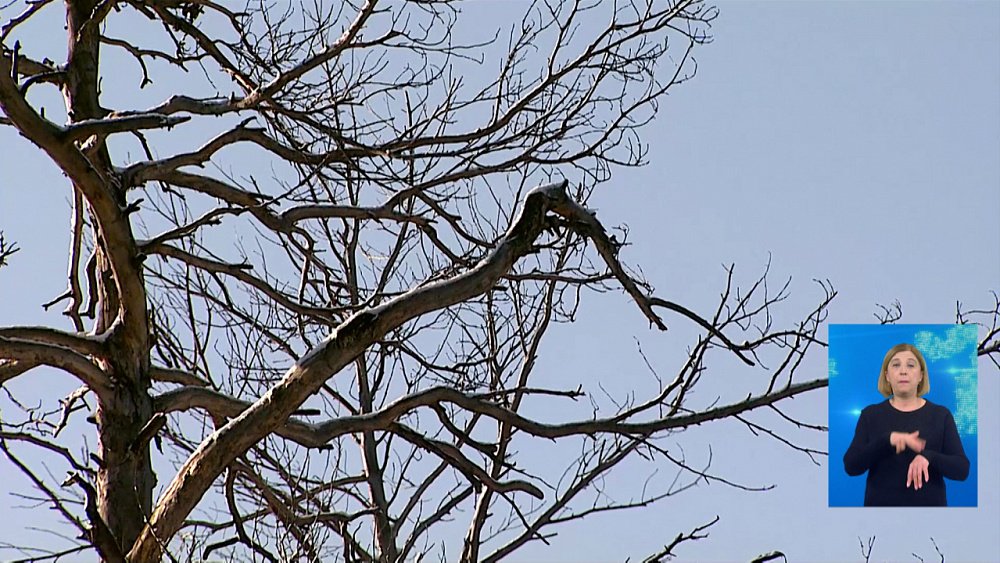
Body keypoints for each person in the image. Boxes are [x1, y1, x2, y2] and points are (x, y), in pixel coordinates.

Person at [842, 343, 969, 506]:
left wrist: (928, 457)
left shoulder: (941, 415)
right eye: (896, 365)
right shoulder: (870, 415)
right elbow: (851, 466)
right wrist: (888, 440)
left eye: (910, 365)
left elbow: (962, 469)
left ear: (921, 375)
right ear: (887, 376)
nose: (903, 371)